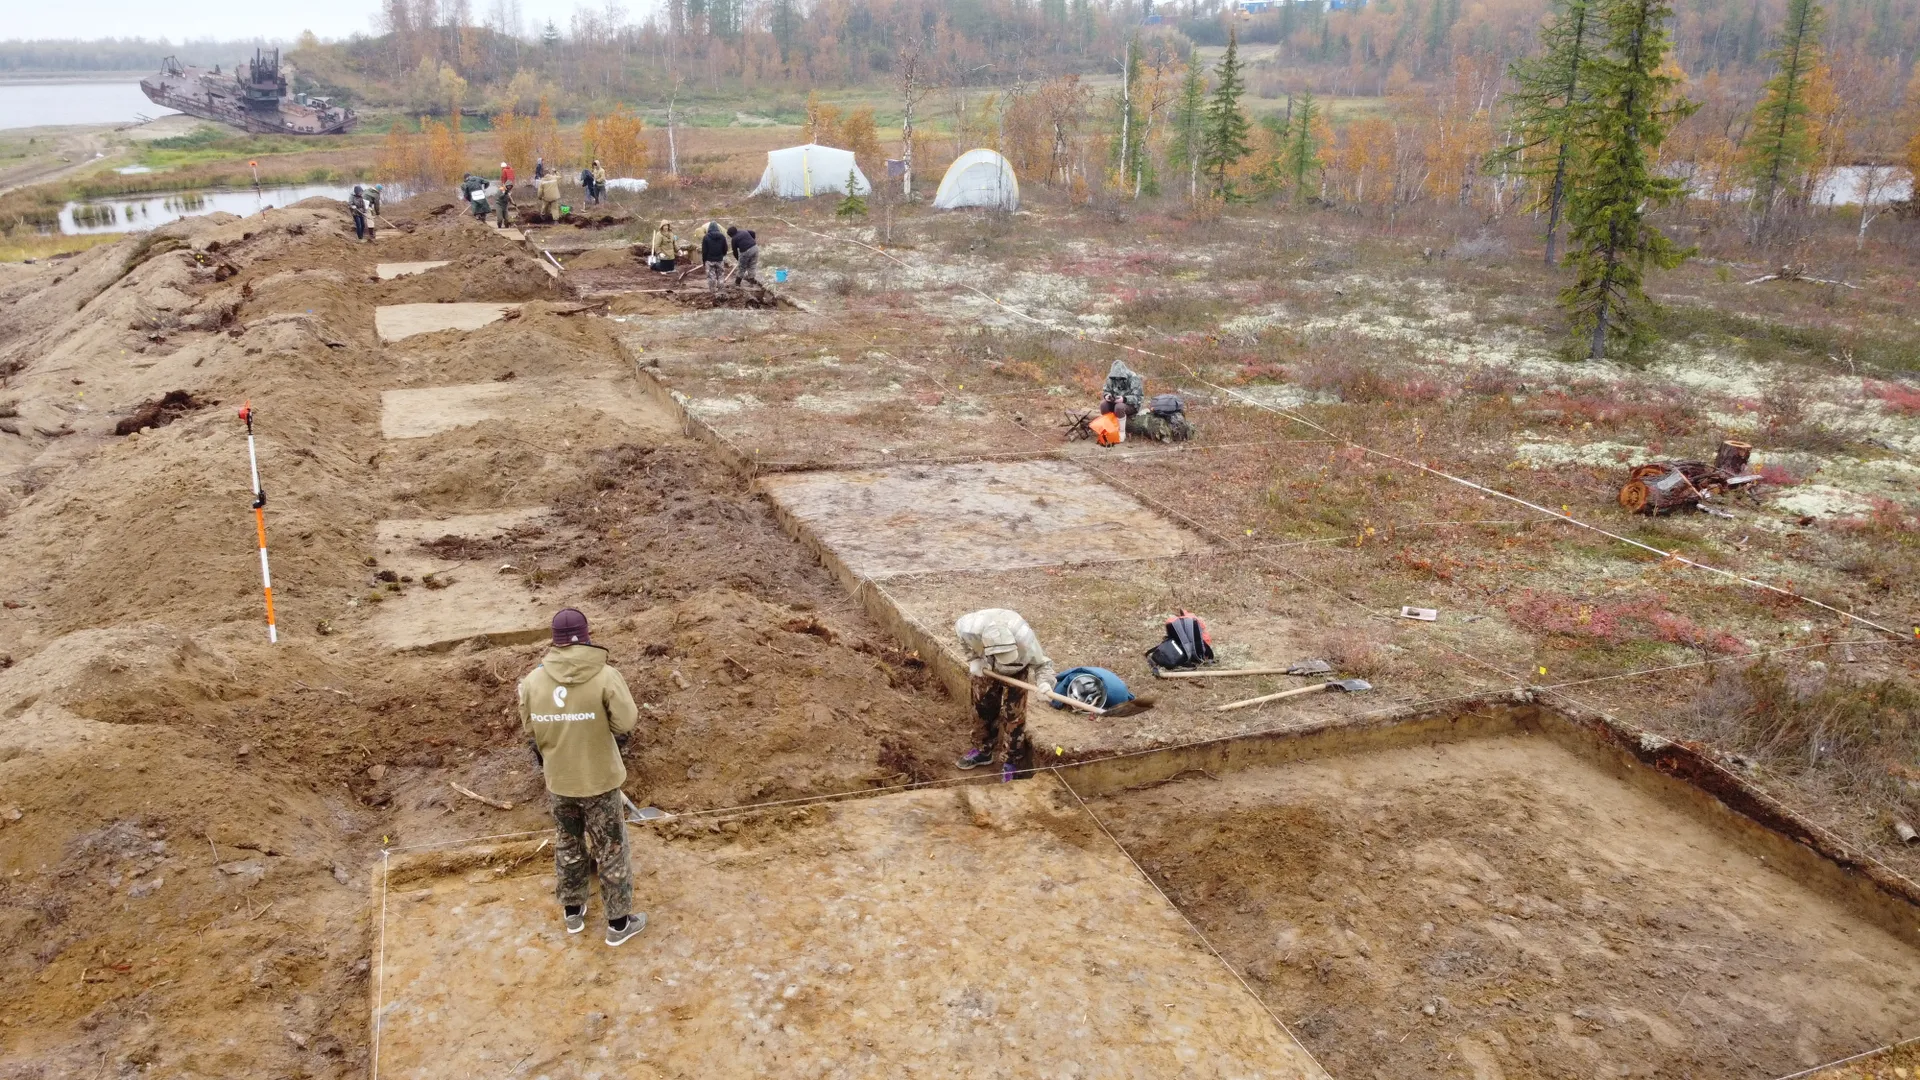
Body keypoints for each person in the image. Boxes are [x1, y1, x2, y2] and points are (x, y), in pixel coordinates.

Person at [518, 608, 646, 948]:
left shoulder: (532, 682)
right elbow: (626, 722)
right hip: (600, 779)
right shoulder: (605, 676)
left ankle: (573, 911)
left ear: (555, 640)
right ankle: (618, 924)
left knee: (568, 842)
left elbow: (530, 729)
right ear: (587, 634)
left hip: (560, 779)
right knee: (611, 847)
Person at [953, 608, 1053, 779]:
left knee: (1014, 715)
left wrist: (1045, 683)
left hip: (1017, 669)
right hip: (987, 667)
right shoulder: (969, 627)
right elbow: (963, 640)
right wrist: (974, 659)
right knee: (981, 706)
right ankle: (983, 751)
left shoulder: (1025, 638)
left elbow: (1043, 664)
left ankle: (1011, 761)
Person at [700, 221, 729, 292]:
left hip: (709, 260)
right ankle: (721, 290)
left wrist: (704, 261)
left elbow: (704, 251)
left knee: (711, 276)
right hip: (719, 259)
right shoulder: (722, 236)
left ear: (709, 228)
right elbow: (725, 248)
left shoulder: (706, 237)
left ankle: (712, 291)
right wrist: (722, 255)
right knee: (721, 275)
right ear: (717, 228)